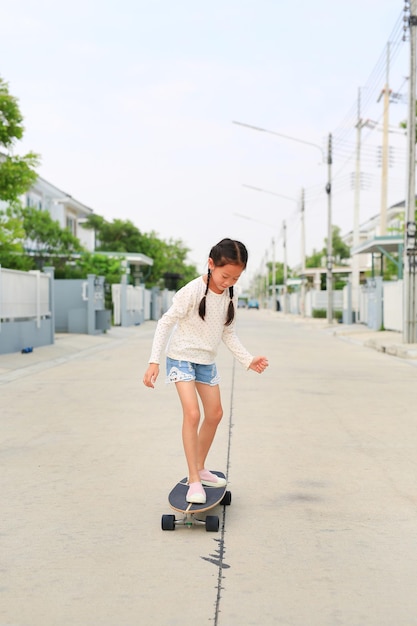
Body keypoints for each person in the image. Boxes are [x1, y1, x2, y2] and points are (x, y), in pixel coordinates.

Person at [143, 238, 269, 504]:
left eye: (235, 278)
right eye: (225, 276)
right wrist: (154, 361)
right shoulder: (191, 291)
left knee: (215, 414)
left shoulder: (230, 295)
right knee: (192, 413)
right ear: (211, 264)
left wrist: (248, 360)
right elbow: (165, 323)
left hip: (206, 362)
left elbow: (228, 333)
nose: (228, 282)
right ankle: (194, 480)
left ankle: (200, 467)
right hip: (181, 359)